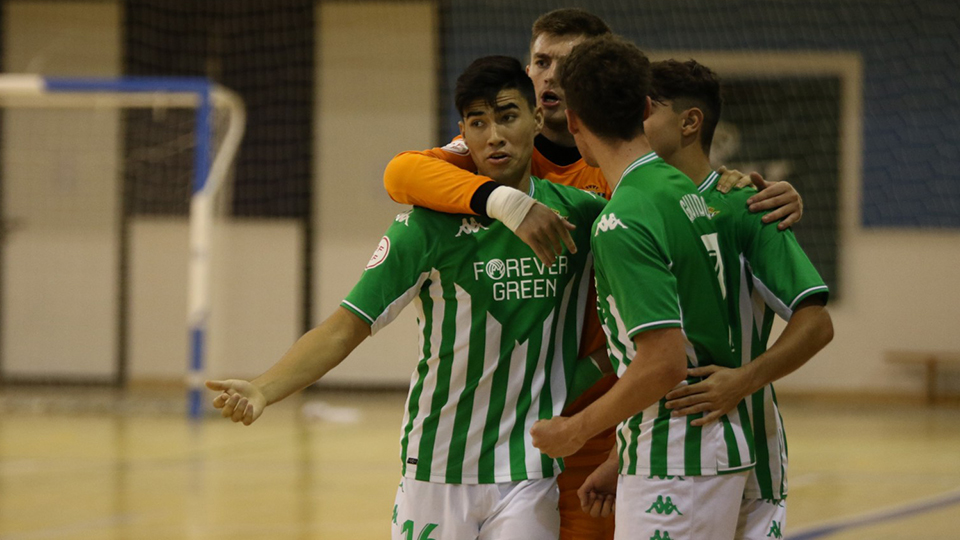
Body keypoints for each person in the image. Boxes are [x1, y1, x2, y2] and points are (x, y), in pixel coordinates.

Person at [382, 9, 805, 540]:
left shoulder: (631, 176)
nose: (550, 75)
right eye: (540, 61)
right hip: (513, 425)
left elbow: (701, 202)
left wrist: (754, 196)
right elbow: (399, 173)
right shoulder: (493, 152)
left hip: (613, 414)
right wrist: (503, 200)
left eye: (568, 63)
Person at [206, 55, 607, 540]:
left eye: (507, 116)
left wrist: (721, 183)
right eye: (478, 122)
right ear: (462, 131)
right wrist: (264, 388)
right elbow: (345, 325)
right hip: (435, 468)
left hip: (528, 474)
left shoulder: (583, 216)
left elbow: (638, 294)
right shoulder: (426, 226)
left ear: (537, 120)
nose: (493, 135)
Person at [529, 35, 753, 539]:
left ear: (576, 121)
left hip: (678, 458)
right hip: (703, 448)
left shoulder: (622, 219)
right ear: (646, 106)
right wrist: (620, 452)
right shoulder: (691, 193)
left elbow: (663, 361)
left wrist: (575, 430)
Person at [638, 59, 833, 539]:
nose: (632, 120)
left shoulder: (744, 205)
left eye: (646, 109)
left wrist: (741, 380)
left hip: (746, 446)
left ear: (689, 122)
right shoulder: (630, 205)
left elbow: (817, 323)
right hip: (654, 443)